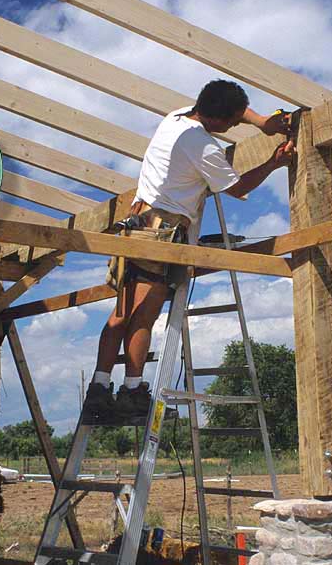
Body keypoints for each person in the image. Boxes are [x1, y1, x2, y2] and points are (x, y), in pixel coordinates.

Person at [84, 79, 294, 422]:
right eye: (230, 122)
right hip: (161, 232)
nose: (231, 127)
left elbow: (232, 109)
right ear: (216, 120)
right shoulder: (204, 146)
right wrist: (274, 162)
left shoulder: (175, 118)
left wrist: (264, 124)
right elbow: (238, 188)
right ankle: (133, 392)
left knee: (121, 311)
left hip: (137, 222)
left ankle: (99, 388)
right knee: (143, 315)